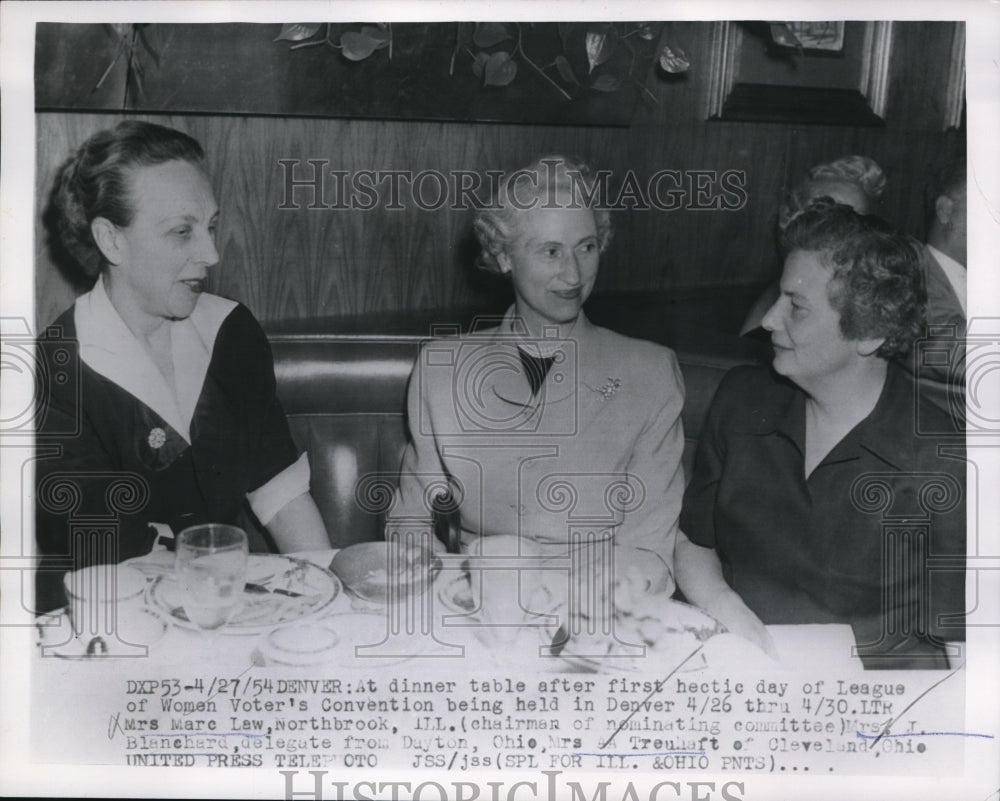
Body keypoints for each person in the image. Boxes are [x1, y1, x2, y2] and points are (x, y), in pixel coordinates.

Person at [390, 155, 767, 646]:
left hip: (601, 613)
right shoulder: (442, 369)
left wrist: (570, 611)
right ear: (503, 256)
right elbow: (410, 520)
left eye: (586, 247)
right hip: (478, 607)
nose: (573, 273)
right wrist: (447, 596)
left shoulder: (649, 373)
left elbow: (648, 548)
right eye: (550, 251)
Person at [35, 121, 330, 612]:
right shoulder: (54, 372)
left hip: (221, 597)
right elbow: (119, 564)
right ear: (111, 240)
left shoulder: (230, 330)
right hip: (111, 619)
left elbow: (280, 491)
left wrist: (324, 599)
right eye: (181, 232)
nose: (211, 254)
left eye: (210, 226)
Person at [678, 202, 966, 669]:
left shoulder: (946, 458)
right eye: (777, 297)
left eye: (796, 306)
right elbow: (694, 541)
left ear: (869, 331)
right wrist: (729, 613)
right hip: (738, 670)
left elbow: (963, 654)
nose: (769, 319)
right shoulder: (742, 399)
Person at [740, 155, 887, 337]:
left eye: (854, 224)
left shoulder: (872, 306)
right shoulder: (772, 304)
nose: (839, 235)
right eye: (824, 218)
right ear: (787, 218)